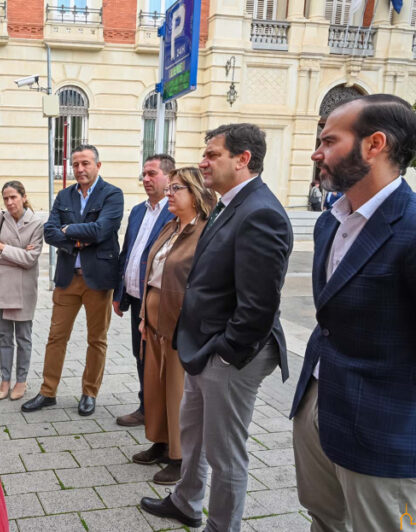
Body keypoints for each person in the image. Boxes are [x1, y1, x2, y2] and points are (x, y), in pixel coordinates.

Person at [140, 123, 293, 530]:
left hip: (229, 355)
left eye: (212, 155)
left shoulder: (261, 211)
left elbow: (259, 305)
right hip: (203, 346)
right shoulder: (228, 203)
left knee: (225, 454)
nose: (203, 162)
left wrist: (225, 352)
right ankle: (186, 502)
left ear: (243, 160)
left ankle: (221, 526)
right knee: (193, 434)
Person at [290, 94, 416, 531]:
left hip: (384, 431)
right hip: (319, 403)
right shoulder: (331, 221)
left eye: (328, 140)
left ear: (374, 144)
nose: (316, 153)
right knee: (324, 520)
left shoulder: (412, 227)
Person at [22, 144, 124, 417]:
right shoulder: (63, 195)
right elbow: (49, 232)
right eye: (75, 164)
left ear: (98, 166)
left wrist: (68, 231)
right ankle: (48, 392)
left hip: (98, 279)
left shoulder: (112, 194)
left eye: (86, 163)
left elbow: (103, 229)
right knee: (56, 337)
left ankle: (89, 392)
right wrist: (77, 238)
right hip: (68, 278)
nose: (80, 169)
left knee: (97, 339)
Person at [132, 167, 215, 485]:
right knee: (154, 386)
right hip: (153, 319)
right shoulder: (170, 226)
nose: (169, 192)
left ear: (194, 193)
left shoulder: (204, 231)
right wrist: (142, 316)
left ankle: (181, 458)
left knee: (177, 391)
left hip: (180, 324)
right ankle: (161, 442)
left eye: (176, 188)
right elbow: (151, 274)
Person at [112, 154, 176, 427]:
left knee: (158, 359)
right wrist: (120, 294)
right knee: (140, 355)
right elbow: (128, 253)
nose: (146, 179)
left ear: (169, 177)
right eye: (144, 174)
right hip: (136, 297)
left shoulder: (175, 211)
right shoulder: (138, 210)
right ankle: (145, 406)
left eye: (152, 173)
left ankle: (162, 412)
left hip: (160, 300)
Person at [0, 181, 44, 401]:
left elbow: (30, 259)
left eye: (14, 197)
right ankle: (5, 379)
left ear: (23, 197)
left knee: (23, 337)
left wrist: (4, 248)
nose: (10, 202)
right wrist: (16, 253)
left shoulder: (36, 224)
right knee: (4, 336)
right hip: (0, 285)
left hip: (24, 288)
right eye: (6, 198)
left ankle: (21, 380)